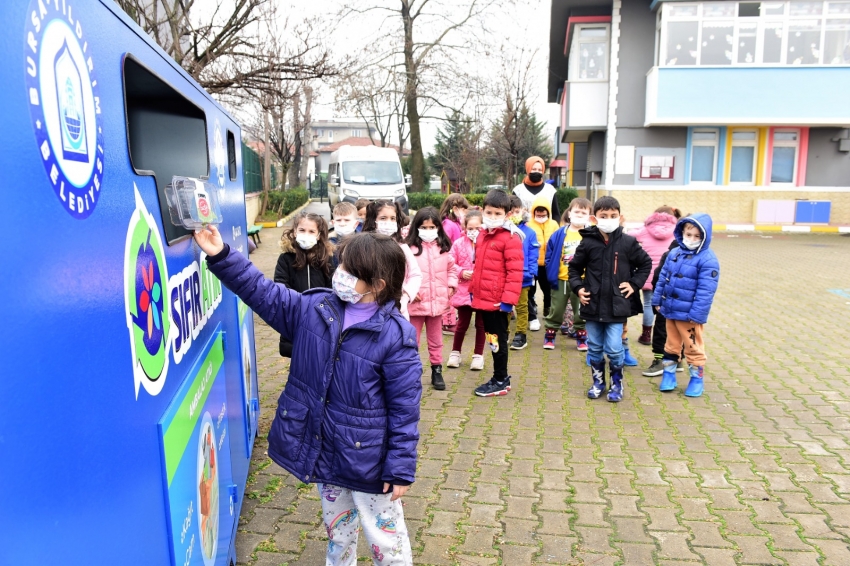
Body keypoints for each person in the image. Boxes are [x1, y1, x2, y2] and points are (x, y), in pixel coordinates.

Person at [193, 228, 421, 565]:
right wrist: (221, 255)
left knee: (386, 540)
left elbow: (405, 409)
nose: (339, 275)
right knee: (338, 532)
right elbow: (263, 292)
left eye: (350, 272)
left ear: (378, 285)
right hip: (324, 454)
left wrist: (399, 467)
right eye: (340, 266)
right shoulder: (313, 308)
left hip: (369, 463)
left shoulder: (396, 336)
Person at [568, 196, 652, 403]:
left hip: (617, 306)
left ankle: (617, 384)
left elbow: (645, 264)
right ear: (594, 218)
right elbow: (574, 268)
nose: (609, 219)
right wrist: (578, 288)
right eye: (603, 216)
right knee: (595, 346)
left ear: (620, 217)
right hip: (592, 304)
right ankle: (598, 382)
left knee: (614, 347)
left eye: (613, 216)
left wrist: (634, 284)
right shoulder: (587, 242)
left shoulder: (628, 242)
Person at [652, 214, 720, 398]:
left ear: (705, 237)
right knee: (671, 344)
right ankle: (668, 375)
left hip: (689, 315)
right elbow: (662, 279)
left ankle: (697, 379)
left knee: (693, 346)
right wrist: (657, 300)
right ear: (682, 233)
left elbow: (706, 291)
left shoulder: (707, 259)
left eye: (697, 236)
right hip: (670, 310)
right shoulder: (674, 253)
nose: (691, 239)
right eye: (688, 234)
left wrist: (697, 314)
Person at [469, 189, 524, 397]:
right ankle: (500, 376)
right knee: (492, 339)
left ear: (507, 215)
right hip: (483, 299)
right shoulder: (483, 234)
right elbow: (479, 267)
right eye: (489, 213)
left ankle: (500, 379)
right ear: (482, 211)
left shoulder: (511, 238)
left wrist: (508, 301)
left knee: (497, 340)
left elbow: (515, 273)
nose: (492, 218)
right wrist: (473, 290)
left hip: (498, 302)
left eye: (497, 214)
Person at [405, 207, 458, 390]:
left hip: (437, 303)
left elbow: (452, 269)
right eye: (424, 227)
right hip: (416, 303)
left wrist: (451, 284)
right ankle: (411, 373)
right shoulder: (409, 249)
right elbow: (402, 274)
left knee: (436, 340)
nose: (428, 231)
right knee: (412, 341)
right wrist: (409, 290)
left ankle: (437, 370)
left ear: (438, 227)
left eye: (432, 227)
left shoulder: (443, 247)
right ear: (416, 227)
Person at [274, 211, 336, 357]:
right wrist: (299, 305)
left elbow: (332, 288)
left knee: (320, 356)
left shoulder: (327, 259)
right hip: (295, 317)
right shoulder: (286, 259)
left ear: (319, 235)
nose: (306, 234)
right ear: (295, 231)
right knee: (298, 357)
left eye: (311, 231)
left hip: (322, 318)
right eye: (302, 230)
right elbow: (281, 286)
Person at [541, 198, 592, 351]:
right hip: (561, 279)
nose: (579, 214)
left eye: (584, 212)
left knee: (580, 310)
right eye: (577, 211)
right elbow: (549, 253)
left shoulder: (591, 234)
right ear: (569, 213)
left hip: (583, 281)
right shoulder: (559, 234)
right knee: (556, 309)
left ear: (589, 216)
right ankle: (550, 335)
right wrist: (551, 270)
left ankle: (581, 336)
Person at [362, 200, 422, 320]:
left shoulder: (402, 247)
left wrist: (405, 297)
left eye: (392, 218)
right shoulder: (363, 246)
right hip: (367, 308)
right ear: (373, 220)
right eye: (383, 218)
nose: (388, 222)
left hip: (397, 309)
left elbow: (415, 274)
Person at [630, 206, 679, 345]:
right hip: (669, 275)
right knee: (667, 305)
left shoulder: (645, 230)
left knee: (648, 304)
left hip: (648, 274)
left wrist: (644, 226)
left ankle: (646, 335)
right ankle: (668, 335)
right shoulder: (677, 231)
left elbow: (629, 234)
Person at [447, 210, 487, 371]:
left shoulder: (486, 243)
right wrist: (462, 272)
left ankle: (478, 355)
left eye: (477, 228)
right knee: (462, 323)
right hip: (464, 290)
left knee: (481, 324)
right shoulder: (458, 244)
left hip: (482, 289)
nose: (474, 231)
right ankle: (455, 352)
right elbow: (450, 262)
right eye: (470, 228)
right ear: (465, 227)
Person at [642, 240, 686, 377]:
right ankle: (677, 359)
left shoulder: (670, 254)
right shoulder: (673, 254)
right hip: (675, 303)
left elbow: (657, 277)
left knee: (664, 330)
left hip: (674, 303)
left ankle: (662, 360)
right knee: (678, 330)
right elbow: (658, 278)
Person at [508, 195, 539, 351]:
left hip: (523, 276)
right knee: (505, 306)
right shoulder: (503, 231)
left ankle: (521, 334)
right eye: (511, 212)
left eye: (517, 211)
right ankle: (504, 332)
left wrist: (532, 273)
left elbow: (533, 254)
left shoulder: (529, 232)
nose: (515, 215)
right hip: (506, 276)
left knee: (522, 306)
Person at [527, 195, 560, 332]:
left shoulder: (553, 224)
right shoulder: (529, 224)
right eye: (538, 213)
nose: (540, 216)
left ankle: (547, 310)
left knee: (548, 289)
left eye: (543, 214)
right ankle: (532, 310)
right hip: (533, 264)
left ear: (548, 212)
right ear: (533, 212)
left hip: (548, 263)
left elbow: (558, 241)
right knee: (531, 289)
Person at [438, 194, 469, 334]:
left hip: (453, 262)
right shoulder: (448, 225)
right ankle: (448, 323)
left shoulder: (455, 223)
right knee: (449, 294)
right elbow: (444, 243)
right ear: (455, 208)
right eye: (463, 209)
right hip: (447, 262)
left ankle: (452, 320)